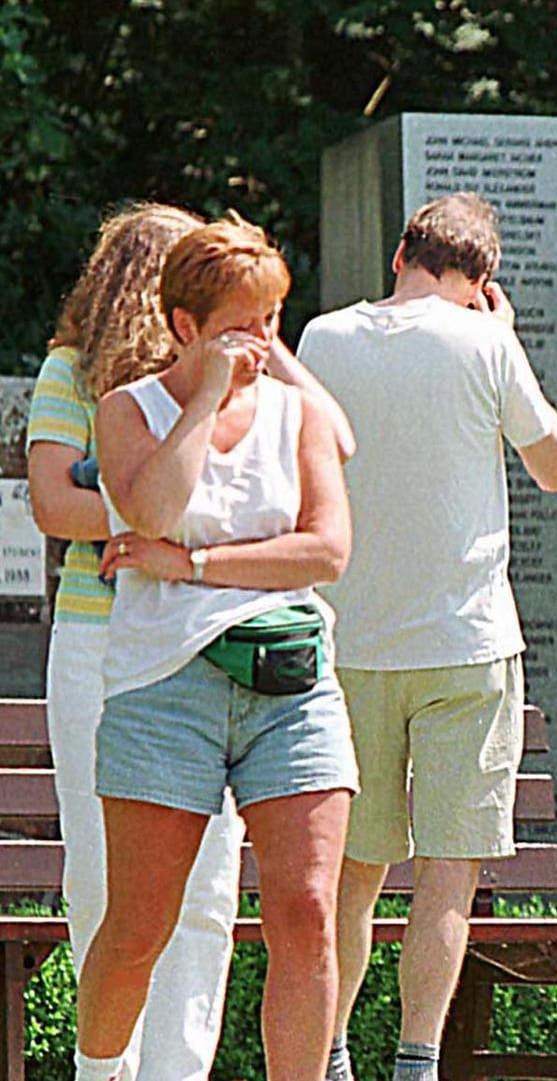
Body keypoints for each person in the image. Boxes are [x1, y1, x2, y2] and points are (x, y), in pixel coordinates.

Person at [297, 191, 557, 1081]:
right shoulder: (487, 341)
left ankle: (331, 1056)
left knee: (353, 872)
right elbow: (556, 466)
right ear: (480, 280)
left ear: (399, 258)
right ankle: (416, 1064)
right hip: (467, 640)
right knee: (447, 871)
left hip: (349, 644)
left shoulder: (322, 340)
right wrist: (508, 340)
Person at [78, 214, 361, 1081]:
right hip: (166, 687)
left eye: (270, 321)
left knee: (307, 912)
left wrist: (191, 564)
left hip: (292, 684)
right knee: (138, 925)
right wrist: (203, 400)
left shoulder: (301, 414)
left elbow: (326, 552)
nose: (259, 344)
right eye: (239, 324)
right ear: (184, 326)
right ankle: (96, 1072)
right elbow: (151, 510)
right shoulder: (130, 411)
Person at [27, 202, 247, 1081]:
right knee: (101, 873)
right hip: (97, 645)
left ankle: (176, 1071)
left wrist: (156, 516)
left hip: (202, 641)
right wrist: (151, 505)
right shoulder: (69, 374)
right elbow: (51, 502)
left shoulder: (215, 383)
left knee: (208, 880)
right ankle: (105, 1067)